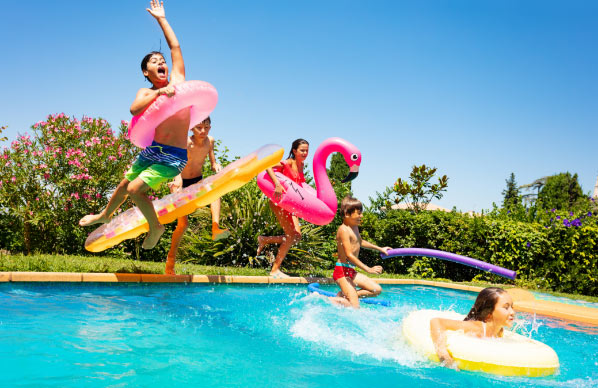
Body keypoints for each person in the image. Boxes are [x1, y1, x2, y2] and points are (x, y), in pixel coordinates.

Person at [79, 0, 189, 250]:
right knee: (122, 185)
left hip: (173, 156)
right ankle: (105, 215)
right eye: (154, 61)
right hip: (153, 150)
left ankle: (156, 226)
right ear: (145, 72)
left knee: (135, 189)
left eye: (162, 60)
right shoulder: (146, 92)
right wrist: (160, 94)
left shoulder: (179, 82)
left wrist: (161, 19)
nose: (161, 62)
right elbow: (134, 109)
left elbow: (175, 46)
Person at [165, 117, 229, 275]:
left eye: (206, 127)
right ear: (191, 128)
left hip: (196, 182)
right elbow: (176, 163)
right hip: (181, 181)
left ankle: (215, 228)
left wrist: (216, 166)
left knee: (215, 192)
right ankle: (170, 264)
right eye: (199, 127)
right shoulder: (186, 142)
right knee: (183, 225)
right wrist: (177, 179)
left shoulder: (210, 141)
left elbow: (212, 162)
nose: (203, 131)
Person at [256, 139, 309, 278]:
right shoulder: (288, 163)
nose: (305, 153)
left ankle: (265, 240)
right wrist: (277, 184)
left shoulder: (301, 165)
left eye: (307, 150)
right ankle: (274, 270)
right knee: (291, 235)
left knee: (297, 236)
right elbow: (267, 165)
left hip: (292, 204)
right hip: (280, 201)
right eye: (302, 150)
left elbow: (300, 185)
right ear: (294, 151)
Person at [328, 195, 390, 308]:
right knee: (355, 307)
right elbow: (349, 255)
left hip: (351, 271)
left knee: (376, 289)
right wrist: (368, 269)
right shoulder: (343, 230)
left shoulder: (354, 227)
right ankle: (326, 300)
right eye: (358, 213)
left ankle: (343, 296)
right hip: (342, 272)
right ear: (347, 214)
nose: (361, 216)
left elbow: (360, 242)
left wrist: (380, 248)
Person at [430, 287, 515, 368]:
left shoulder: (499, 330)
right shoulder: (477, 328)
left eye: (512, 307)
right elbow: (437, 321)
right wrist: (442, 353)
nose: (512, 312)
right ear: (489, 313)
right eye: (506, 307)